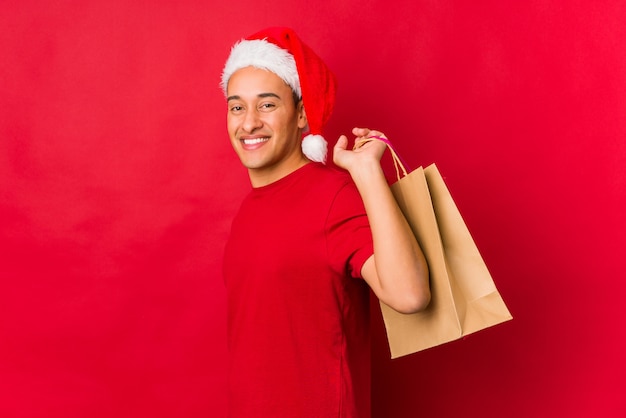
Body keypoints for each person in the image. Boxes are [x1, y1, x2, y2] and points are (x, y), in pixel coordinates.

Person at [220, 27, 430, 418]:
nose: (248, 123)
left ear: (301, 114)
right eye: (237, 106)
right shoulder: (248, 210)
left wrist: (367, 173)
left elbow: (411, 296)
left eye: (266, 105)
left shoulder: (332, 196)